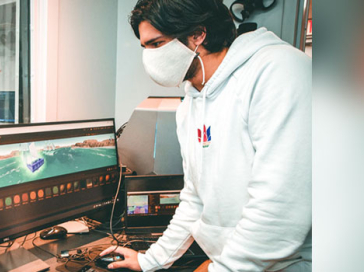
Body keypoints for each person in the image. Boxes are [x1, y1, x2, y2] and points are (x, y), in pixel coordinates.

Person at [100, 1, 311, 271]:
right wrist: (149, 260)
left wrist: (220, 269)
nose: (149, 57)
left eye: (156, 44)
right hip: (236, 262)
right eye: (144, 48)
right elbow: (196, 200)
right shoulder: (191, 104)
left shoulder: (279, 71)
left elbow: (280, 207)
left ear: (198, 34)